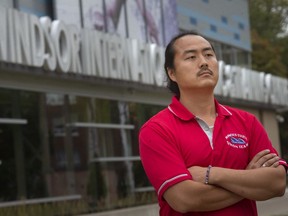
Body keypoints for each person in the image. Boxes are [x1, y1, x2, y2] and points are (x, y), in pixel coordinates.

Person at [139, 32, 288, 216]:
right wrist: (247, 179)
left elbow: (277, 183)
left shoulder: (246, 122)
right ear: (172, 73)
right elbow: (184, 199)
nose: (203, 62)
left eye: (209, 55)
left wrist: (212, 174)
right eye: (191, 57)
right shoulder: (157, 130)